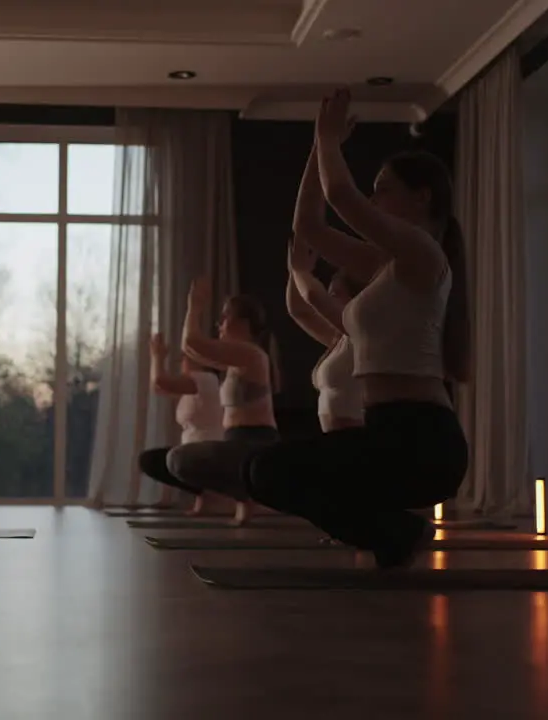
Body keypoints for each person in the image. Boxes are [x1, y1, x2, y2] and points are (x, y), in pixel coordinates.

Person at [246, 88, 471, 569]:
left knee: (271, 471)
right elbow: (310, 227)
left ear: (421, 195)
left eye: (383, 187)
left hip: (421, 439)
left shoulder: (424, 256)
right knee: (267, 473)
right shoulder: (388, 266)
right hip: (388, 432)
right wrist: (317, 147)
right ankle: (395, 534)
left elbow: (341, 195)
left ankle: (400, 532)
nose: (373, 197)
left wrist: (330, 142)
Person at [166, 277, 280, 526]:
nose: (219, 324)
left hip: (255, 443)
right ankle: (245, 497)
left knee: (178, 459)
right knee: (176, 460)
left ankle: (249, 496)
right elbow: (193, 350)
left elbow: (192, 343)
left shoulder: (252, 354)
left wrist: (194, 307)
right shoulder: (237, 362)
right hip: (237, 442)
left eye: (224, 317)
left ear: (242, 323)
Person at [137, 332, 226, 516]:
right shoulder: (192, 386)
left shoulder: (207, 379)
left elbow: (161, 380)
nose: (181, 362)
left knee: (152, 459)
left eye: (185, 357)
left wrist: (158, 356)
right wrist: (156, 356)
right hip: (192, 453)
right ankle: (206, 495)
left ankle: (214, 495)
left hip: (208, 454)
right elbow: (158, 387)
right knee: (150, 460)